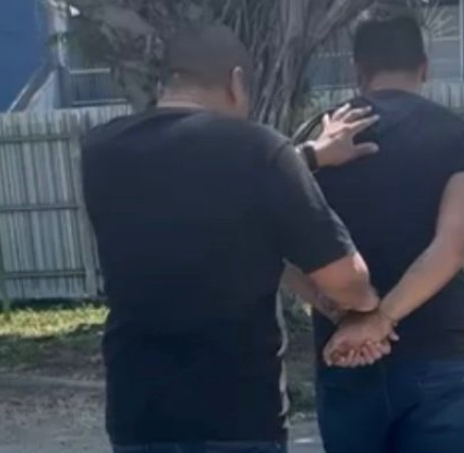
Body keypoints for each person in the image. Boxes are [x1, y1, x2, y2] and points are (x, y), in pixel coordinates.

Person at [82, 24, 383, 453]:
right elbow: (344, 279)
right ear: (237, 82)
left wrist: (309, 156)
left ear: (168, 81)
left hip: (139, 416)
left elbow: (192, 185)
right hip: (238, 416)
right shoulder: (258, 150)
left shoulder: (100, 150)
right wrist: (370, 309)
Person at [286, 6, 464, 453]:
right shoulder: (462, 137)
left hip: (345, 354)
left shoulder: (318, 139)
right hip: (437, 355)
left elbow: (280, 247)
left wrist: (344, 315)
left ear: (357, 70)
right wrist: (382, 320)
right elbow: (454, 245)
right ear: (425, 67)